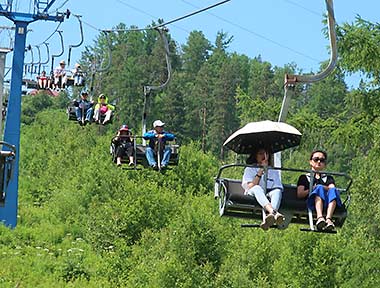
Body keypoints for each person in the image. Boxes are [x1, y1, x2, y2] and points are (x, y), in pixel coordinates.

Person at [297, 150, 342, 231]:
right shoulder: (304, 178)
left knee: (331, 190)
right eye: (316, 159)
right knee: (319, 189)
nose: (319, 162)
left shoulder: (328, 178)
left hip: (327, 202)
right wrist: (313, 189)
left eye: (322, 160)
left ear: (324, 164)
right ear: (311, 162)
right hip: (311, 202)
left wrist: (320, 187)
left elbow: (332, 188)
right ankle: (320, 217)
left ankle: (328, 218)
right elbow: (300, 194)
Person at [242, 148, 285, 231]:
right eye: (261, 154)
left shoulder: (273, 171)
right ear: (256, 156)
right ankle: (274, 213)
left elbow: (277, 186)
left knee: (277, 191)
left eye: (266, 154)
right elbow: (250, 186)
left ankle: (269, 218)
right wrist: (261, 170)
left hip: (269, 192)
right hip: (254, 192)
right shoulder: (250, 169)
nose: (264, 156)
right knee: (257, 188)